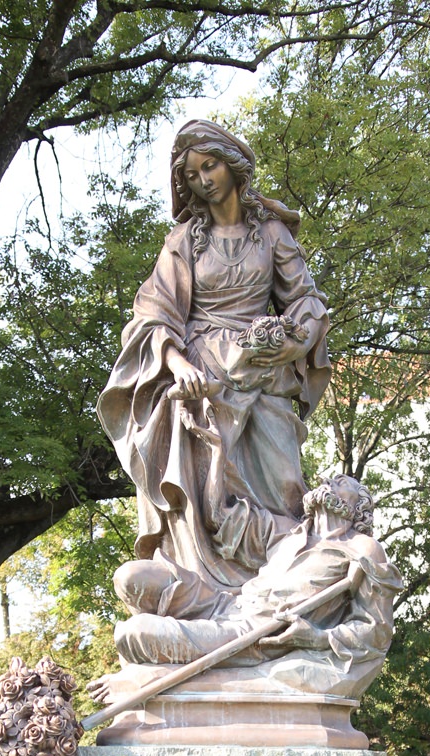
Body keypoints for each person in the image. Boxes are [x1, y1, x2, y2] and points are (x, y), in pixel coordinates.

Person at [97, 120, 330, 590]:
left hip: (262, 369)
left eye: (210, 166)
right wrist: (177, 363)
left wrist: (295, 340)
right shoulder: (184, 241)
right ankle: (206, 589)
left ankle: (287, 588)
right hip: (203, 376)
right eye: (192, 174)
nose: (203, 180)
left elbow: (304, 298)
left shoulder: (272, 234)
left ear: (232, 165)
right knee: (205, 491)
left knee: (284, 485)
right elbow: (154, 313)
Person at [91, 476, 403, 701]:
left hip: (252, 632)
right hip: (224, 604)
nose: (331, 481)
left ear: (359, 507)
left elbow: (376, 630)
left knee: (133, 634)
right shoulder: (290, 531)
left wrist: (317, 637)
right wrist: (216, 448)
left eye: (343, 483)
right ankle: (152, 672)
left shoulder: (363, 548)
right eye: (332, 479)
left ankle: (150, 678)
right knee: (131, 577)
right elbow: (222, 518)